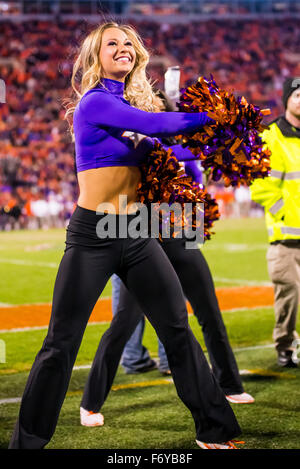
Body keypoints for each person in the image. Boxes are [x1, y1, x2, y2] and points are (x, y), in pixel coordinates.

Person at [9, 22, 242, 450]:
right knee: (61, 341)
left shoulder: (131, 106)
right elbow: (160, 127)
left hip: (134, 229)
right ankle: (27, 441)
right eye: (111, 44)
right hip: (94, 231)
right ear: (95, 57)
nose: (123, 48)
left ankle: (215, 428)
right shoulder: (96, 103)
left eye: (128, 43)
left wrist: (226, 141)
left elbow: (172, 148)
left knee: (175, 326)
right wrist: (213, 117)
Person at [250, 77, 300, 368]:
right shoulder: (271, 137)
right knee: (289, 301)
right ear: (286, 100)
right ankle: (285, 347)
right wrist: (287, 215)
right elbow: (260, 187)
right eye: (297, 95)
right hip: (287, 236)